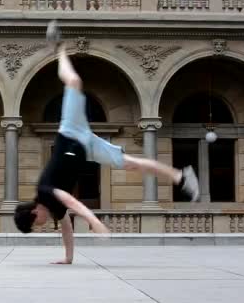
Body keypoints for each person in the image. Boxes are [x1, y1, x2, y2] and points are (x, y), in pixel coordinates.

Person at [14, 21, 199, 264]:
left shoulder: (45, 191)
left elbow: (70, 200)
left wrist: (94, 221)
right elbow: (67, 228)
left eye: (36, 224)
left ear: (33, 213)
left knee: (74, 83)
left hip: (71, 133)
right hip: (87, 148)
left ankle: (57, 49)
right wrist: (68, 258)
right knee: (131, 163)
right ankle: (181, 177)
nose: (41, 226)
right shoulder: (54, 211)